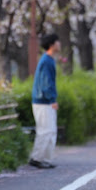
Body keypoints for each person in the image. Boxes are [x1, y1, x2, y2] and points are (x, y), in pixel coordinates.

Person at [29, 33, 61, 169]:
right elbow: (46, 83)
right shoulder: (47, 61)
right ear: (52, 44)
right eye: (57, 42)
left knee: (50, 130)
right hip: (43, 100)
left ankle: (45, 158)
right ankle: (37, 157)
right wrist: (51, 99)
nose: (60, 44)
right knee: (46, 130)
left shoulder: (48, 60)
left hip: (43, 100)